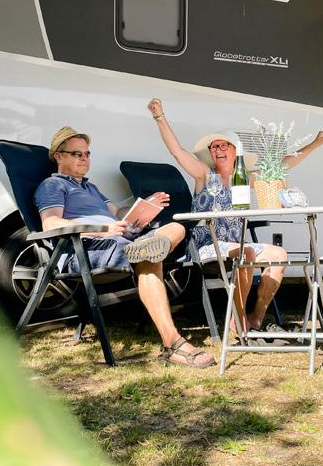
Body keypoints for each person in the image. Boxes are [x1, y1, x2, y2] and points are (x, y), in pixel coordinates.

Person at [34, 126, 215, 369]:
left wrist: (144, 207)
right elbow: (51, 223)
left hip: (120, 240)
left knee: (177, 227)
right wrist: (103, 230)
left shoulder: (90, 187)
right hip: (88, 247)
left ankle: (145, 249)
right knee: (149, 258)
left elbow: (118, 213)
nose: (85, 158)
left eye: (87, 154)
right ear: (58, 156)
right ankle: (172, 343)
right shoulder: (52, 185)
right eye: (77, 154)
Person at [147, 98, 323, 336]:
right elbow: (177, 151)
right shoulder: (205, 175)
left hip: (237, 245)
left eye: (224, 146)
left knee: (279, 255)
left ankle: (257, 317)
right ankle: (239, 317)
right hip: (207, 246)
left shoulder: (244, 178)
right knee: (247, 252)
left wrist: (314, 144)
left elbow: (283, 166)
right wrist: (159, 117)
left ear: (236, 151)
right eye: (214, 147)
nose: (218, 150)